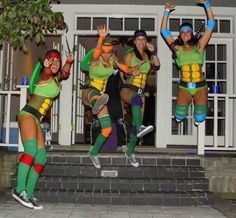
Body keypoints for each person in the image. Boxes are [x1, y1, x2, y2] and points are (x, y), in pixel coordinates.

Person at [12, 49, 74, 209]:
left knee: (41, 159)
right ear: (47, 62)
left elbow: (65, 74)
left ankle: (29, 193)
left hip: (36, 120)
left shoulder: (55, 78)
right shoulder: (44, 76)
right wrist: (44, 66)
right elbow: (46, 73)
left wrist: (68, 61)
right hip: (27, 115)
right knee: (31, 151)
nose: (55, 64)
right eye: (51, 60)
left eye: (57, 62)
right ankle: (19, 190)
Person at [82, 25, 140, 169]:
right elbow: (95, 52)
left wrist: (133, 70)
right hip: (89, 92)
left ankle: (94, 153)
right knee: (97, 97)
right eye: (104, 52)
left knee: (107, 129)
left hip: (102, 98)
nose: (105, 55)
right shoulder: (95, 60)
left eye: (108, 52)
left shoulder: (112, 61)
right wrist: (101, 37)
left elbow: (125, 68)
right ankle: (97, 103)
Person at [160, 0, 215, 126]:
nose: (185, 34)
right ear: (180, 35)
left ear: (191, 34)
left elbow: (211, 24)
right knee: (179, 116)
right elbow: (164, 30)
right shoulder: (177, 49)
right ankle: (181, 114)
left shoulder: (199, 46)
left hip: (200, 86)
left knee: (200, 117)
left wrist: (207, 4)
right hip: (184, 86)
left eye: (188, 31)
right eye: (182, 32)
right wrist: (166, 11)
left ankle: (199, 116)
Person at [120, 30, 160, 167]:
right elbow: (124, 72)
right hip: (128, 89)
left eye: (144, 39)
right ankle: (140, 128)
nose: (141, 42)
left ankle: (130, 152)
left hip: (140, 92)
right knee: (137, 99)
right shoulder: (130, 54)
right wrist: (130, 71)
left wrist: (153, 52)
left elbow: (157, 66)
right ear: (135, 41)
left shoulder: (147, 56)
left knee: (136, 126)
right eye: (139, 39)